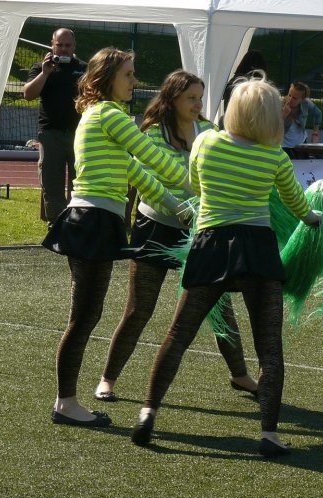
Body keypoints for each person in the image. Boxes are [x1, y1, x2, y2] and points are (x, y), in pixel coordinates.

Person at [130, 77, 323, 456]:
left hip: (211, 245)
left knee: (178, 335)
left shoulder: (206, 142)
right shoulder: (275, 157)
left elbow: (195, 186)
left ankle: (148, 413)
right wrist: (317, 219)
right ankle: (268, 434)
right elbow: (299, 207)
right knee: (269, 348)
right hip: (258, 250)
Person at [42, 48, 190, 427]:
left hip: (93, 221)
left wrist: (181, 207)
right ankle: (65, 403)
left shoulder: (101, 118)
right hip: (92, 221)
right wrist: (200, 181)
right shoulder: (109, 114)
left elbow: (138, 173)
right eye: (128, 74)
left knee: (86, 316)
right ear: (108, 77)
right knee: (83, 318)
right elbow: (151, 156)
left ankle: (67, 401)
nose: (134, 81)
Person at [94, 70, 258, 402]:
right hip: (155, 228)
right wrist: (183, 206)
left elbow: (224, 175)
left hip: (202, 233)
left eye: (200, 98)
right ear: (172, 99)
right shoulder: (152, 134)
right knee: (139, 309)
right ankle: (107, 379)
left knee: (220, 307)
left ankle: (240, 375)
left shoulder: (211, 132)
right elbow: (149, 183)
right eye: (190, 98)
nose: (198, 105)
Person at [24, 28, 87, 228]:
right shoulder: (41, 67)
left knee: (81, 182)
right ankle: (56, 224)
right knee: (51, 182)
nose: (64, 49)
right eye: (59, 45)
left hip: (80, 135)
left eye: (68, 45)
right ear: (52, 45)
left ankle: (77, 223)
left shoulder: (84, 68)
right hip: (51, 134)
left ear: (74, 46)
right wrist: (45, 73)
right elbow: (28, 94)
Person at [281, 81, 322, 158]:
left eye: (295, 98)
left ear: (302, 99)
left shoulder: (306, 103)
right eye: (289, 95)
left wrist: (315, 133)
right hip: (284, 145)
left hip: (301, 143)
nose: (290, 99)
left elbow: (318, 114)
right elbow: (274, 128)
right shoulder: (280, 104)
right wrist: (284, 115)